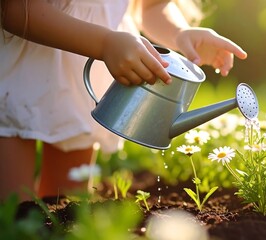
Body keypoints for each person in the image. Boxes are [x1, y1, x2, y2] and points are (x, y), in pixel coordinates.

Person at [0, 0, 247, 201]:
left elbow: (149, 5)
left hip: (82, 79)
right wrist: (105, 43)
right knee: (13, 212)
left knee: (65, 207)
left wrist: (179, 32)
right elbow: (15, 10)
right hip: (15, 75)